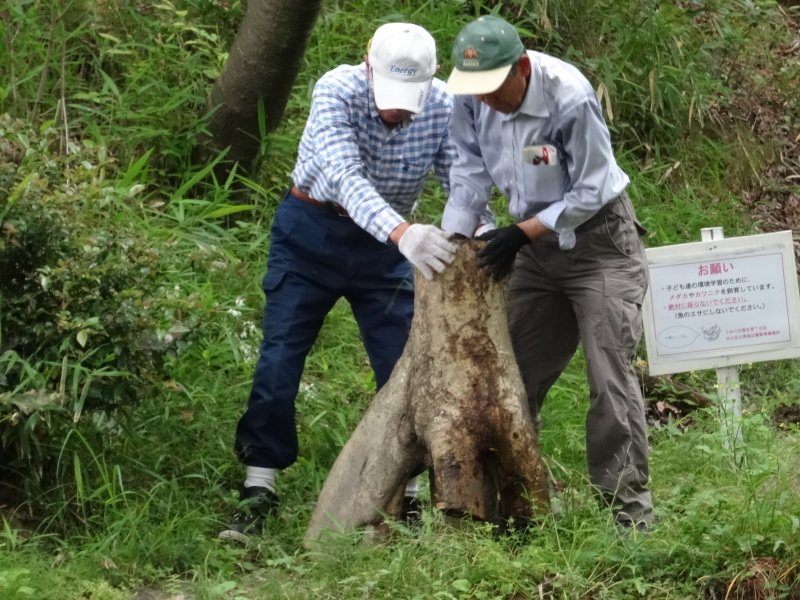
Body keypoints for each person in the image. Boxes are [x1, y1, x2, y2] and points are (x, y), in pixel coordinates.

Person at [218, 22, 462, 541]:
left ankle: (406, 492)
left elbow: (458, 175)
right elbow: (346, 177)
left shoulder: (443, 104)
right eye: (391, 98)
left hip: (387, 248)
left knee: (403, 363)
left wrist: (475, 226)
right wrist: (404, 234)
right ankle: (259, 484)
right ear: (368, 67)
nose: (398, 112)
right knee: (281, 355)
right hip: (312, 232)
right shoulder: (336, 89)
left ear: (432, 79)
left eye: (409, 100)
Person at [441, 16, 654, 530]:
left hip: (599, 244)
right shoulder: (470, 97)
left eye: (494, 88)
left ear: (521, 67)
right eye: (477, 91)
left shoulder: (569, 96)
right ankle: (517, 510)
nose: (486, 100)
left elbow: (592, 189)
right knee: (511, 379)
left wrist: (521, 232)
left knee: (610, 380)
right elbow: (467, 169)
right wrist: (458, 237)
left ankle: (628, 518)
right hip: (535, 253)